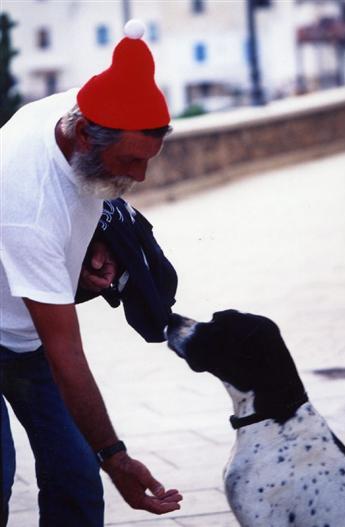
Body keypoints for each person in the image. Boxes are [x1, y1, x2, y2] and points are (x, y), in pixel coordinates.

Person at [0, 19, 182, 527]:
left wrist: (88, 244)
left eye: (148, 160)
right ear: (84, 133)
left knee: (77, 480)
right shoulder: (26, 202)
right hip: (29, 333)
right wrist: (117, 457)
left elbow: (78, 197)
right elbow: (66, 352)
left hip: (22, 331)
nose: (140, 177)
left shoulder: (81, 110)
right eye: (129, 161)